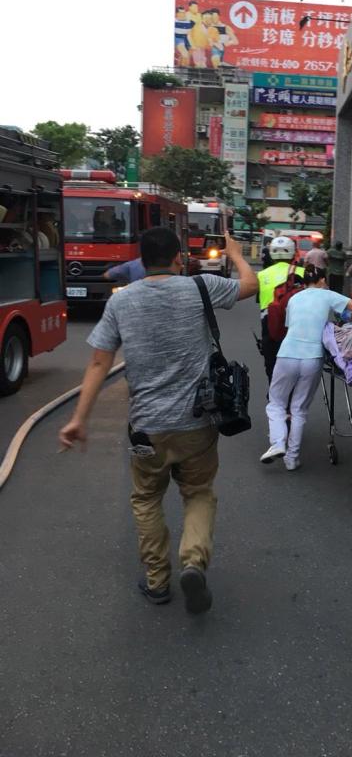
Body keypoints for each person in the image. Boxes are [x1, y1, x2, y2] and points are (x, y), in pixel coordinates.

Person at [58, 228, 258, 613]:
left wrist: (78, 419)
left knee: (147, 498)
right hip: (198, 423)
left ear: (140, 260)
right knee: (198, 492)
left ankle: (157, 581)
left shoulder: (122, 302)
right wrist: (234, 254)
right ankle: (193, 562)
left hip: (147, 428)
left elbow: (100, 362)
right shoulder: (200, 287)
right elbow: (250, 285)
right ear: (178, 258)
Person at [260, 265, 352, 469]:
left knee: (276, 403)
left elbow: (290, 326)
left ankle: (278, 443)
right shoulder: (328, 295)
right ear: (323, 280)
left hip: (287, 353)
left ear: (305, 281)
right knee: (299, 408)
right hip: (313, 357)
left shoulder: (294, 298)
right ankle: (292, 458)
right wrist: (349, 318)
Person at [256, 236, 304, 383]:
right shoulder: (302, 272)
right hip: (297, 322)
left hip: (269, 321)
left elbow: (259, 299)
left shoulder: (261, 275)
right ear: (292, 252)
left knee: (271, 361)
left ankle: (274, 391)